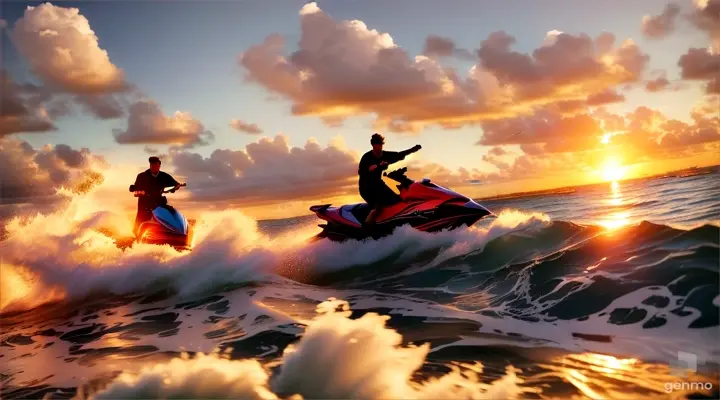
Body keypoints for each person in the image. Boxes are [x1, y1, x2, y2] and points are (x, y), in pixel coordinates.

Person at [358, 133, 421, 227]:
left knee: (397, 200)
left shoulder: (384, 155)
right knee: (377, 207)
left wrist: (412, 150)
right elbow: (361, 171)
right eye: (377, 145)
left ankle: (394, 223)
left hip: (378, 185)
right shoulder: (367, 157)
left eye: (381, 145)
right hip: (366, 187)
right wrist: (372, 168)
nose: (379, 147)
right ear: (373, 145)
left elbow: (399, 155)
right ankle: (365, 229)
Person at [130, 156, 182, 236]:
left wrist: (177, 186)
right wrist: (134, 188)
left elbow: (175, 184)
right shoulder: (142, 176)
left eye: (155, 165)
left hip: (159, 201)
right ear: (150, 165)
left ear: (159, 165)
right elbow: (136, 187)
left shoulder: (164, 176)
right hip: (145, 202)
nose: (153, 167)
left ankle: (175, 231)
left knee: (171, 211)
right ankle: (137, 236)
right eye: (152, 165)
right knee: (142, 217)